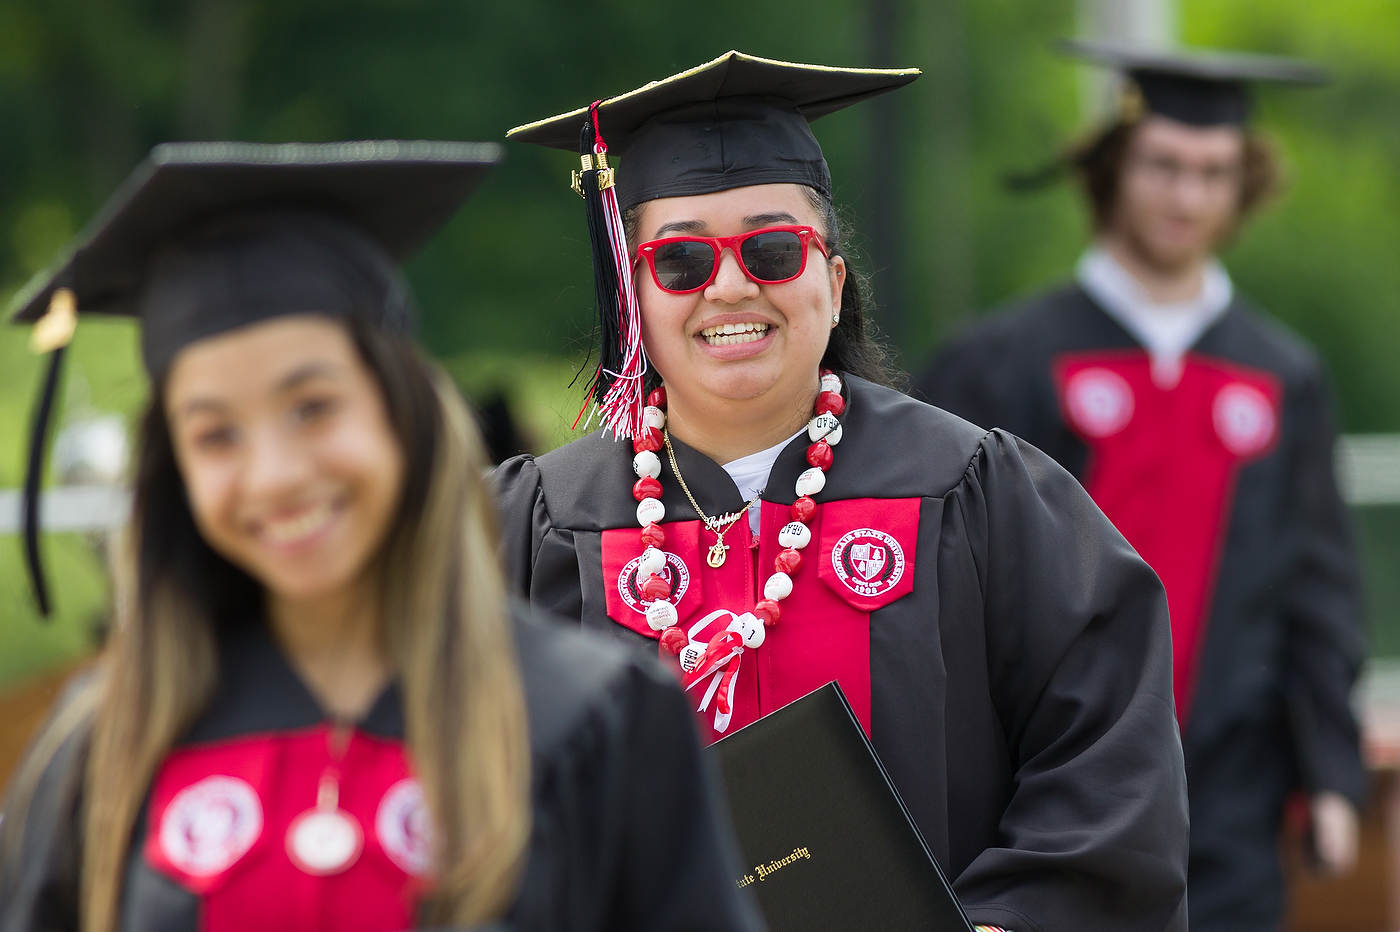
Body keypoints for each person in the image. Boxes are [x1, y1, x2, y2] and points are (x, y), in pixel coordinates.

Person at [497, 51, 1189, 932]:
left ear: (832, 281)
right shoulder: (536, 525)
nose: (730, 286)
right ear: (632, 294)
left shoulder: (975, 493)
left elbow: (1108, 765)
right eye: (680, 261)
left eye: (773, 249)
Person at [0, 140, 764, 932]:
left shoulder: (593, 718)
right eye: (215, 434)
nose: (274, 475)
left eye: (313, 408)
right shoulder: (106, 745)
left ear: (402, 411)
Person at [915, 40, 1367, 932]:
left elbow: (1318, 591)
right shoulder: (1000, 361)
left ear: (1244, 184)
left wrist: (1331, 776)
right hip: (1041, 792)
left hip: (1229, 797)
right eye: (1164, 166)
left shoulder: (1284, 376)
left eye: (1214, 172)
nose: (1187, 197)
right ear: (1113, 167)